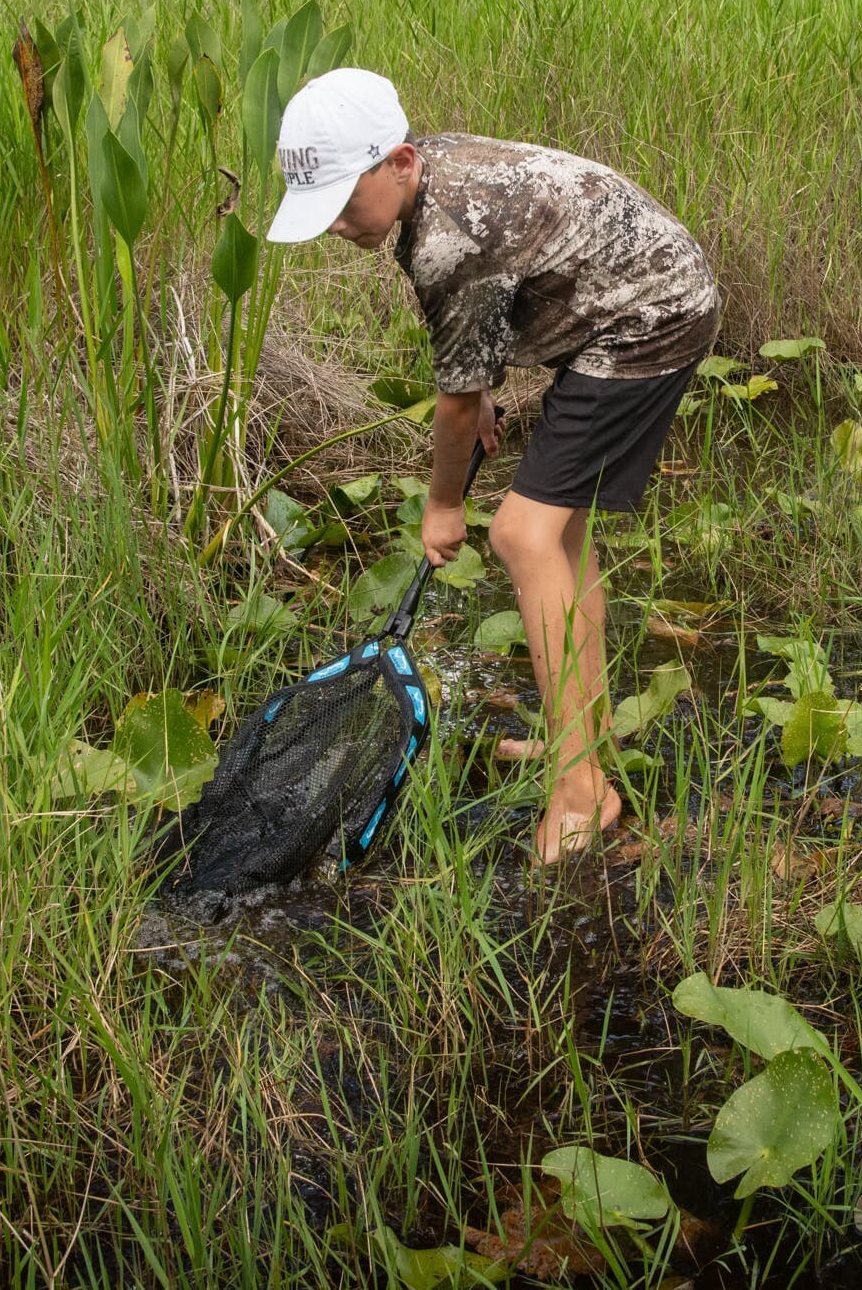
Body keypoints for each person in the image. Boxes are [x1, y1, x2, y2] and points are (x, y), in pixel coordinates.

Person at [263, 69, 720, 863]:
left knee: (520, 535)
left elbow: (452, 402)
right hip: (624, 304)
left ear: (399, 162)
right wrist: (479, 399)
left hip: (649, 317)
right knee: (560, 535)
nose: (337, 224)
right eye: (323, 209)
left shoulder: (446, 237)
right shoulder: (433, 183)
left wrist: (443, 506)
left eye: (342, 201)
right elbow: (482, 337)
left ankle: (583, 792)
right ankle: (588, 733)